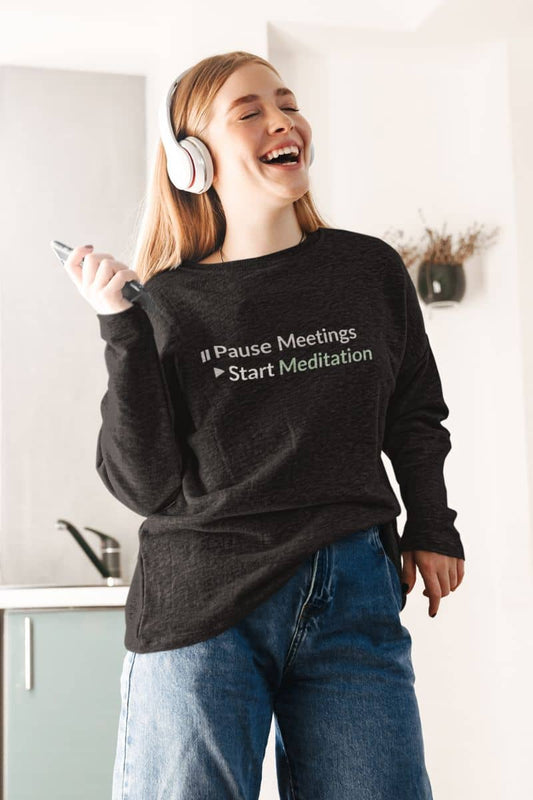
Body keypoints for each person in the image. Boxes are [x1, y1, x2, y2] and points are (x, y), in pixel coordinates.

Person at [64, 50, 465, 800]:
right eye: (249, 112)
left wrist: (431, 524)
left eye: (286, 104)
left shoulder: (367, 270)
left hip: (353, 590)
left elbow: (414, 412)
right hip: (204, 603)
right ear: (192, 161)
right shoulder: (163, 305)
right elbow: (143, 482)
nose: (282, 121)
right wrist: (119, 327)